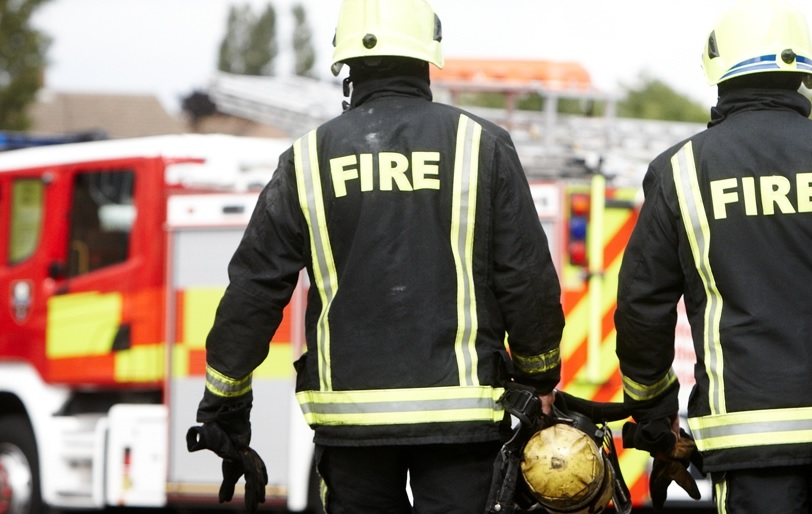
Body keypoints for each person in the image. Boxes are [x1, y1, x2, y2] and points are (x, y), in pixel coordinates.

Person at [187, 0, 565, 512]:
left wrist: (224, 403)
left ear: (346, 68)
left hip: (351, 427)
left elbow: (255, 288)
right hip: (463, 422)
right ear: (428, 58)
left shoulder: (305, 160)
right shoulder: (482, 146)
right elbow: (527, 279)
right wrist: (539, 380)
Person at [614, 0, 812, 512]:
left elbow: (642, 307)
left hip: (749, 436)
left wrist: (655, 417)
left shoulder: (681, 170)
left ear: (717, 69)